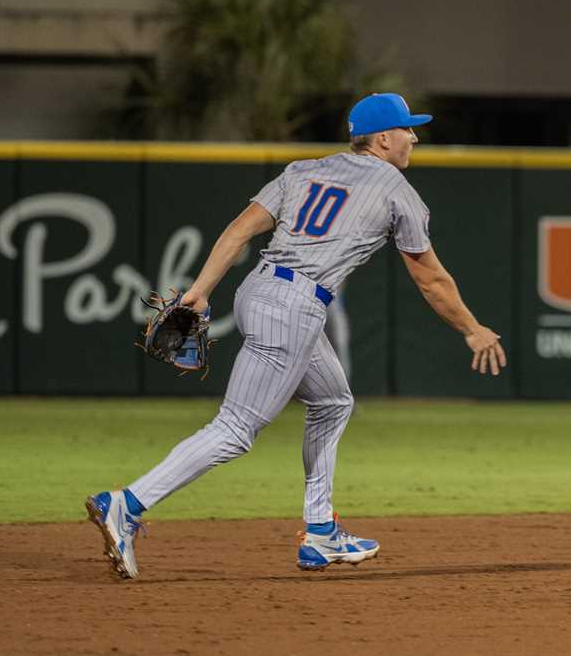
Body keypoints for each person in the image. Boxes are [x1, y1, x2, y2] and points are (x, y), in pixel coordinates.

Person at [85, 93, 506, 579]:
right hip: (295, 307)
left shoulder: (302, 170)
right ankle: (128, 504)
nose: (414, 137)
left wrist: (201, 292)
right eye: (408, 129)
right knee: (235, 429)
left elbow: (239, 231)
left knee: (333, 402)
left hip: (258, 290)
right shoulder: (396, 189)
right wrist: (472, 329)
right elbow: (430, 278)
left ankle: (322, 532)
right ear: (384, 138)